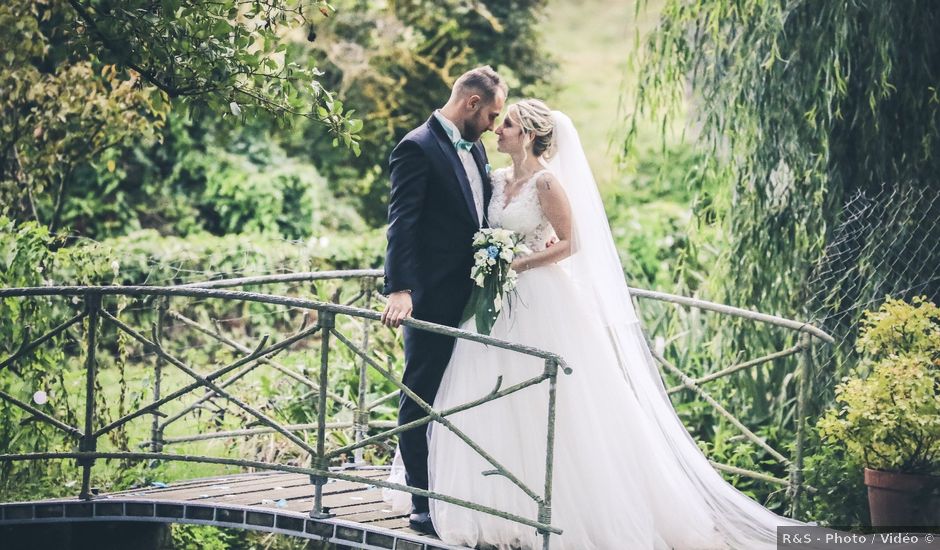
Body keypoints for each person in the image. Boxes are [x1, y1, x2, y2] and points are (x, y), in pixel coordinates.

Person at [387, 99, 810, 549]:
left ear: (527, 134)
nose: (497, 130)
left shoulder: (547, 182)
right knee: (485, 394)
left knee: (548, 398)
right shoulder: (496, 178)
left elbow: (571, 243)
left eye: (505, 124)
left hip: (539, 299)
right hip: (495, 301)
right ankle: (492, 502)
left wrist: (519, 262)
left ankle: (556, 508)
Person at [380, 65, 507, 535]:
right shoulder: (416, 146)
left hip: (474, 296)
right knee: (420, 395)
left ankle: (467, 492)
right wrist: (400, 289)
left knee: (467, 394)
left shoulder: (474, 145)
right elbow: (402, 223)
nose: (495, 125)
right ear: (472, 103)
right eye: (493, 114)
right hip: (431, 298)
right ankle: (421, 502)